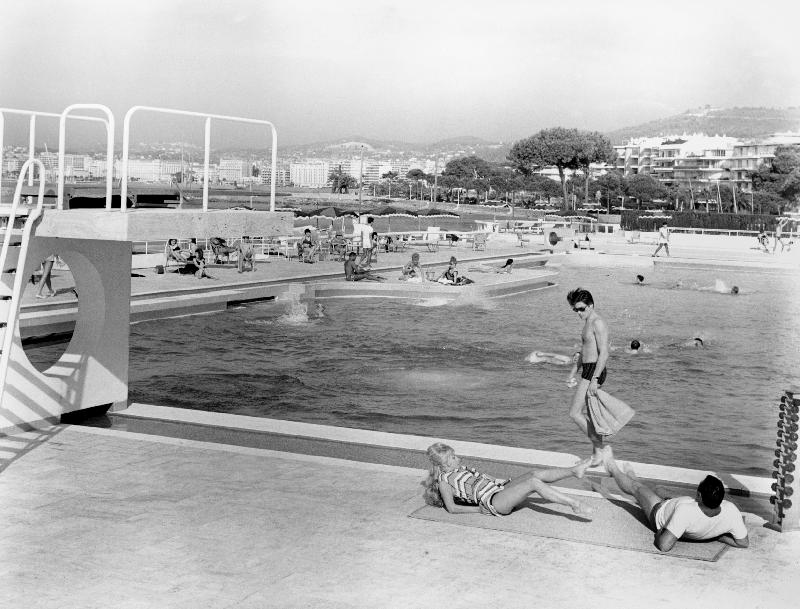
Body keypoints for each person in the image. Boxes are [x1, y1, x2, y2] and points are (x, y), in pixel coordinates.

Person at [602, 448, 748, 552]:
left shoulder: (686, 513)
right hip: (676, 505)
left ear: (700, 496)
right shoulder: (731, 510)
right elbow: (743, 542)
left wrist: (662, 530)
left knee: (636, 489)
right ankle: (632, 476)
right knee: (659, 489)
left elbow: (664, 546)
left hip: (658, 512)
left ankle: (612, 468)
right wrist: (718, 536)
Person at [422, 443, 594, 518]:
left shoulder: (459, 469)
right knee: (533, 484)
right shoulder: (444, 482)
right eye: (452, 457)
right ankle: (575, 504)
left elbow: (478, 482)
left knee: (534, 474)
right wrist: (478, 511)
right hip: (494, 502)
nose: (457, 458)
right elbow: (451, 508)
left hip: (499, 489)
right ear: (443, 464)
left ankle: (574, 471)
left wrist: (490, 480)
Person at [566, 287, 610, 466]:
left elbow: (604, 353)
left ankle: (600, 448)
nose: (578, 313)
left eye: (581, 309)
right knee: (589, 414)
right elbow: (584, 352)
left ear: (591, 305)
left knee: (575, 413)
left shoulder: (597, 322)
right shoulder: (588, 322)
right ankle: (597, 455)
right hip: (588, 369)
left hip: (594, 371)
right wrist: (571, 373)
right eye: (575, 309)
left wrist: (595, 379)